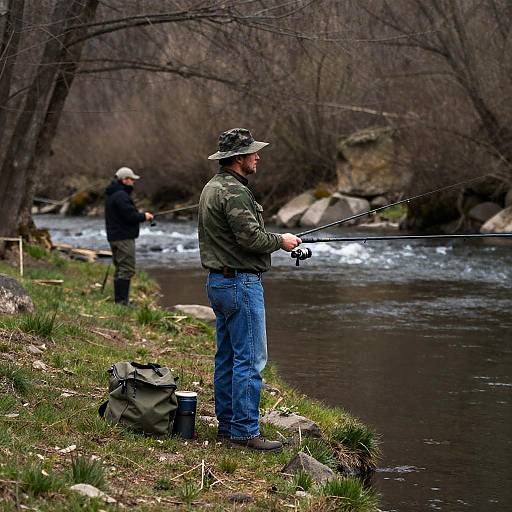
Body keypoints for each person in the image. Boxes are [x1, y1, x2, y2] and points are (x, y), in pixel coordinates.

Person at [198, 128, 302, 451]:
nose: (258, 156)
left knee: (227, 356)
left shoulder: (211, 188)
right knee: (251, 359)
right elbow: (251, 239)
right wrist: (282, 242)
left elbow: (238, 235)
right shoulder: (235, 192)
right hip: (241, 283)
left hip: (219, 282)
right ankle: (244, 432)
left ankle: (228, 428)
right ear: (239, 158)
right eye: (253, 152)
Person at [105, 167, 153, 305]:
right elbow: (130, 216)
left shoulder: (112, 194)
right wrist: (144, 216)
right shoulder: (121, 195)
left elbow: (124, 214)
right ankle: (122, 302)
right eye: (132, 179)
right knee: (127, 268)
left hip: (115, 237)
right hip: (123, 238)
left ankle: (119, 301)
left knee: (120, 268)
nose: (133, 182)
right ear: (125, 180)